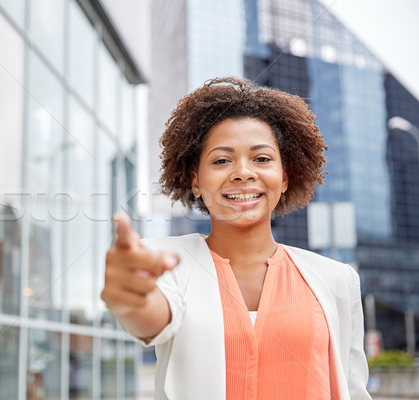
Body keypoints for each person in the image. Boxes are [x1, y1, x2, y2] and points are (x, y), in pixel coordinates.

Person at [101, 77, 370, 399]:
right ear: (196, 181)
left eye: (262, 159)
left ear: (284, 177)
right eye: (221, 160)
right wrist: (131, 299)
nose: (243, 172)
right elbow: (153, 319)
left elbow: (355, 389)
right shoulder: (163, 260)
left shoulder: (337, 279)